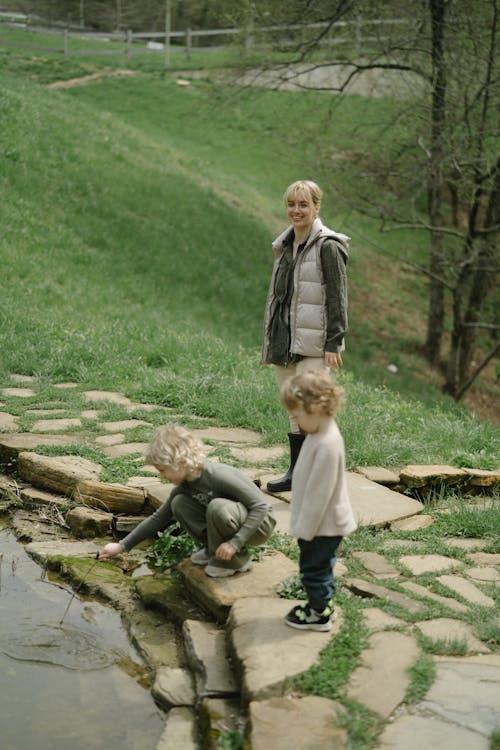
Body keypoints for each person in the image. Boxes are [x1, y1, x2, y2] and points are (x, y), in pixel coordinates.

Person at [261, 180, 350, 493]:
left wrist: (334, 343)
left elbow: (338, 298)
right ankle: (297, 474)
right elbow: (276, 300)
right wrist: (269, 345)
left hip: (314, 345)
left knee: (313, 409)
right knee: (294, 410)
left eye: (303, 204)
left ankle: (326, 475)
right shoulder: (284, 246)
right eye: (291, 204)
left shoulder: (329, 246)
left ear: (316, 207)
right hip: (285, 344)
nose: (296, 210)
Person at [98, 424, 276, 578]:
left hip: (259, 526)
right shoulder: (185, 486)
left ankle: (237, 561)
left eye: (163, 470)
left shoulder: (217, 476)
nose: (161, 476)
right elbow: (157, 518)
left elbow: (260, 506)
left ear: (181, 462)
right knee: (179, 504)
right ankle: (212, 551)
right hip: (235, 520)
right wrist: (121, 546)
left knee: (217, 507)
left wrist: (235, 542)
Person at [279, 368, 357, 631]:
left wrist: (305, 530)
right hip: (322, 524)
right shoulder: (319, 433)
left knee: (313, 567)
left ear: (315, 408)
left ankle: (318, 613)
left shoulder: (327, 444)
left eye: (298, 415)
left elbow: (319, 496)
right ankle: (323, 602)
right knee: (322, 564)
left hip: (321, 526)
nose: (297, 421)